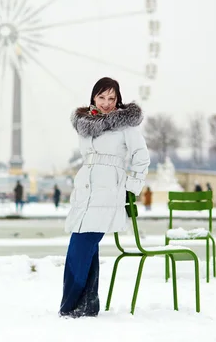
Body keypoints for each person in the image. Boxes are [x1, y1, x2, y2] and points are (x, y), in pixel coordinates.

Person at [60, 77, 150, 318]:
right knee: (84, 247)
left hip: (109, 192)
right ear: (93, 98)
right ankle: (88, 304)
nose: (107, 103)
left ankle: (69, 306)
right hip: (85, 192)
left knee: (80, 247)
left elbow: (141, 158)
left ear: (118, 99)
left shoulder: (126, 127)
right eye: (102, 97)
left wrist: (131, 188)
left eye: (112, 98)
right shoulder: (85, 124)